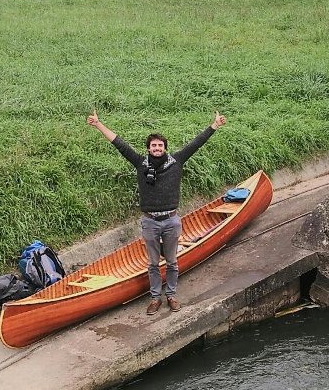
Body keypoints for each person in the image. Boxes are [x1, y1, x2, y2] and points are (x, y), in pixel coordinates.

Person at [87, 110, 227, 314]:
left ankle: (171, 295)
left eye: (160, 145)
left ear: (165, 148)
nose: (157, 148)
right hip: (150, 221)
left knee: (172, 262)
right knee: (153, 264)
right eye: (154, 146)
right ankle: (155, 298)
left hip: (171, 220)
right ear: (148, 149)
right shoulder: (140, 163)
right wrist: (98, 124)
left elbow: (197, 143)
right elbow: (120, 144)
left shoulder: (176, 162)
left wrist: (214, 125)